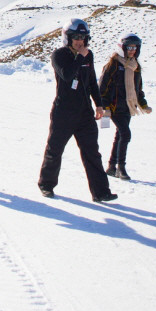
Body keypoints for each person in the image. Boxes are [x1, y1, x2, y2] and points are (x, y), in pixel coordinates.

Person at [38, 18, 117, 202]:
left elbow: (91, 81)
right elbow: (67, 75)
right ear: (68, 38)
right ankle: (46, 185)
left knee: (92, 152)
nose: (80, 41)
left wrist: (99, 104)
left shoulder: (88, 56)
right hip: (63, 112)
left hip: (84, 113)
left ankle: (101, 192)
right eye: (76, 37)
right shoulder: (59, 55)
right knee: (55, 149)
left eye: (83, 37)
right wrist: (80, 57)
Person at [99, 33, 152, 181]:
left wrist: (143, 104)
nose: (132, 50)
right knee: (125, 134)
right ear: (122, 48)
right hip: (115, 108)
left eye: (135, 47)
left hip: (128, 107)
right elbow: (102, 88)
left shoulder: (135, 66)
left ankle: (111, 166)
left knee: (120, 135)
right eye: (129, 47)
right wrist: (105, 107)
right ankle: (121, 168)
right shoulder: (113, 65)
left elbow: (137, 88)